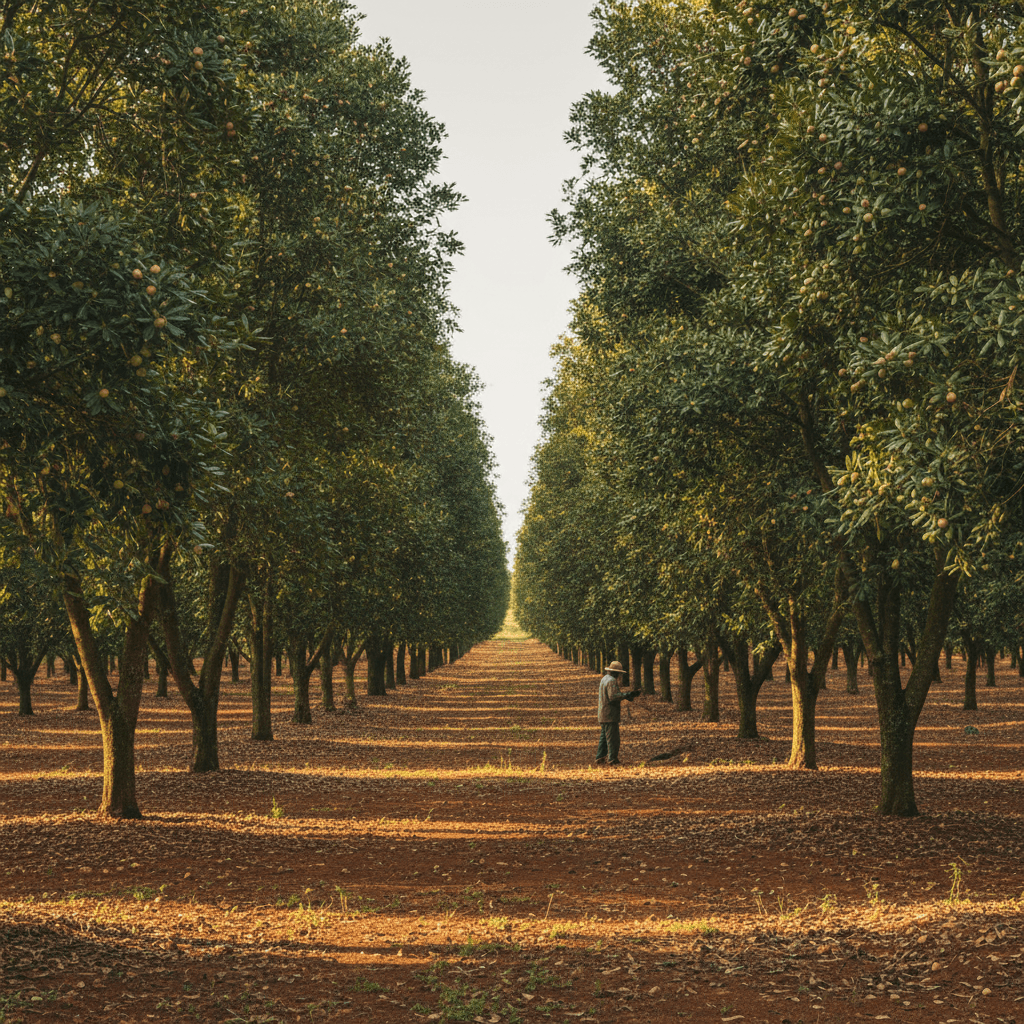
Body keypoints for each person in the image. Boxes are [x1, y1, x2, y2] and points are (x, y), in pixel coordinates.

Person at [595, 661, 640, 767]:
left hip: (603, 712)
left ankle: (600, 757)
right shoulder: (612, 681)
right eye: (619, 673)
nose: (619, 675)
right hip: (610, 713)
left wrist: (627, 695)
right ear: (615, 672)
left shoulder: (604, 679)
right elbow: (613, 696)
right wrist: (627, 695)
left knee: (604, 737)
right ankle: (612, 759)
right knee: (613, 737)